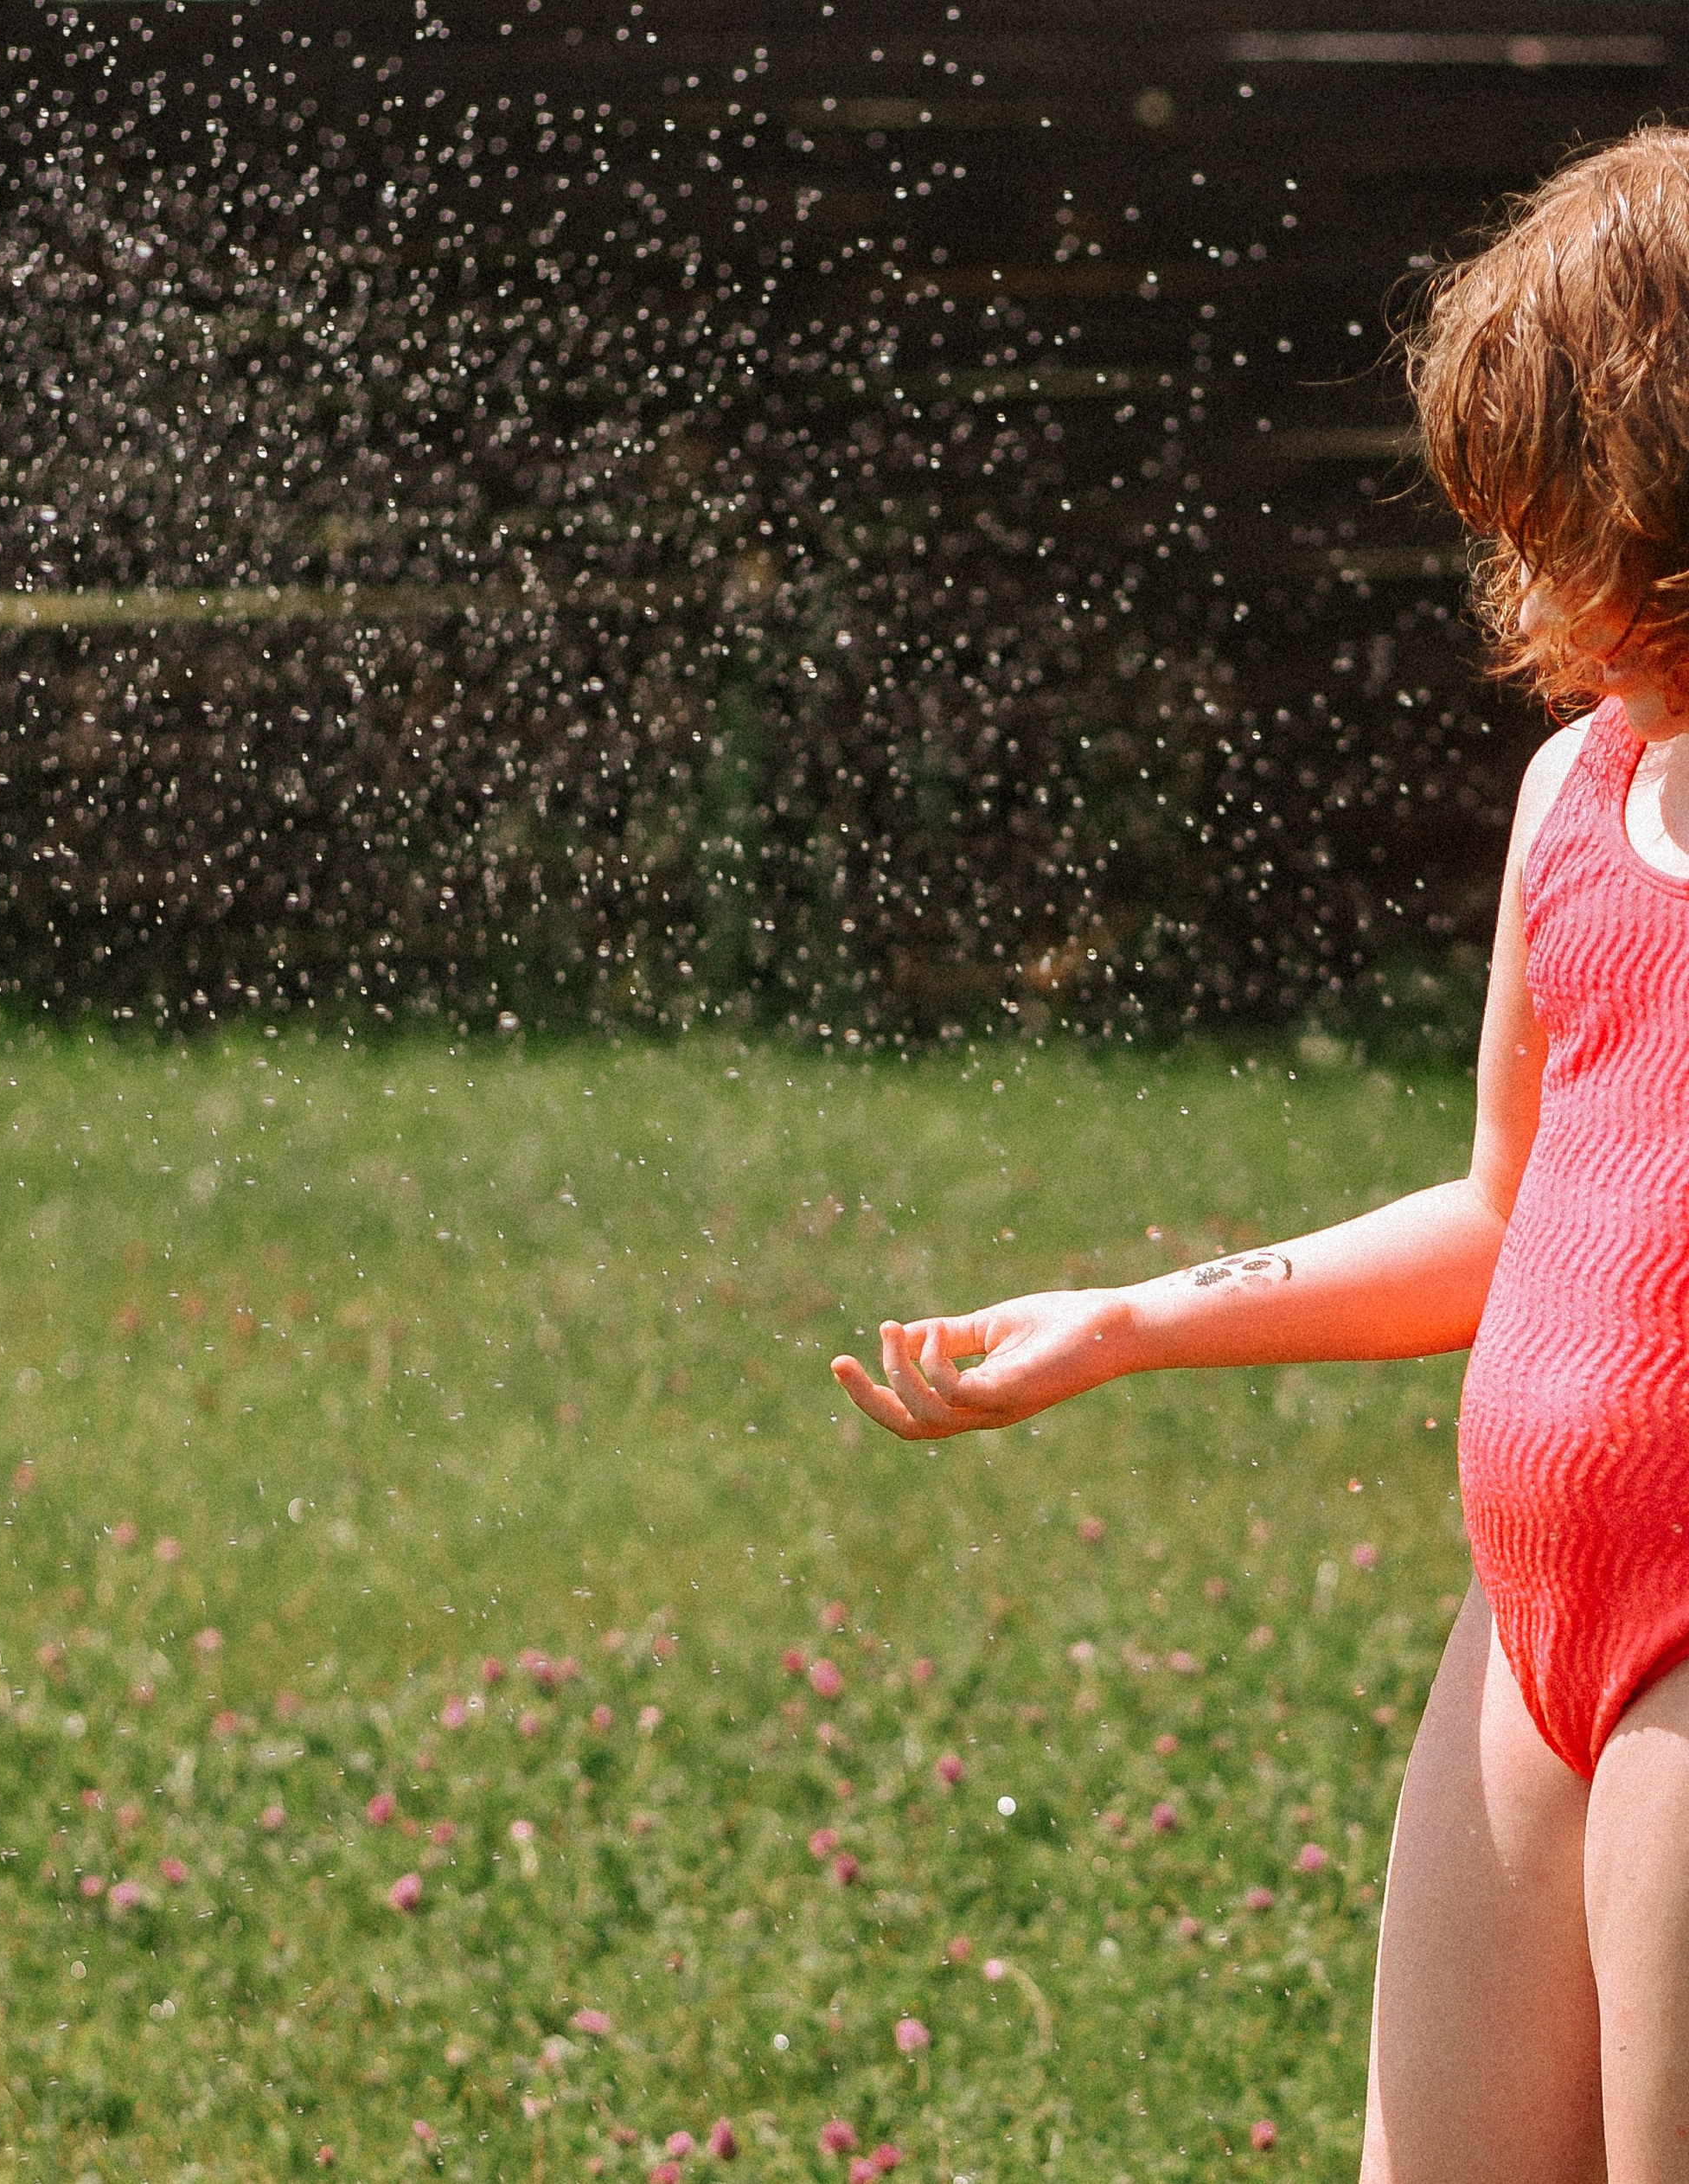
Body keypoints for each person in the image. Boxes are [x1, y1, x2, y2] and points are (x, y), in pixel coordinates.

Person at [832, 126, 1689, 2184]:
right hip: (1526, 1629)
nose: (1518, 587)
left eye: (1549, 517)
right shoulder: (1578, 796)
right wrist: (1126, 1318)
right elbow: (1499, 1214)